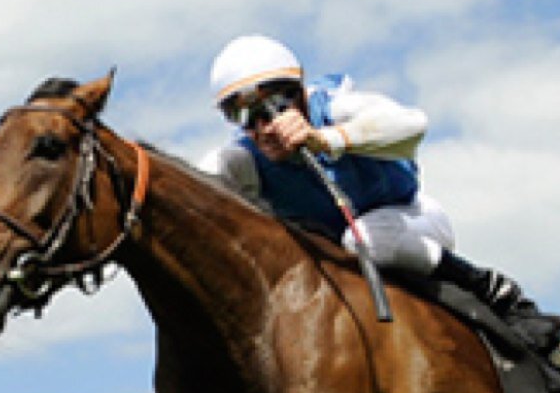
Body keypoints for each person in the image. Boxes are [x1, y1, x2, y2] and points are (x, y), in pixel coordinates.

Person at [199, 34, 537, 324]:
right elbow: (196, 187)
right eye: (241, 116)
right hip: (338, 265)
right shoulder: (242, 159)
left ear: (298, 92)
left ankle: (485, 285)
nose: (262, 128)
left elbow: (412, 124)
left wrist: (325, 139)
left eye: (271, 106)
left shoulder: (338, 107)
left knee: (361, 239)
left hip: (411, 223)